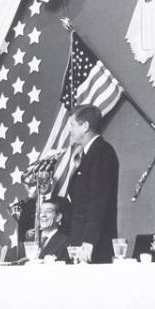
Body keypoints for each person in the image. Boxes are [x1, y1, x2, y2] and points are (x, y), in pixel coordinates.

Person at [66, 104, 119, 264]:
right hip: (81, 240)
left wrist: (89, 241)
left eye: (72, 125)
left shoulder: (102, 152)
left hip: (93, 244)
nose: (70, 130)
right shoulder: (89, 153)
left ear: (85, 126)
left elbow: (98, 200)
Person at [38, 198, 70, 262]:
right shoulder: (30, 240)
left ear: (58, 217)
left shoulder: (65, 242)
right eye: (41, 211)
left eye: (48, 211)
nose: (43, 215)